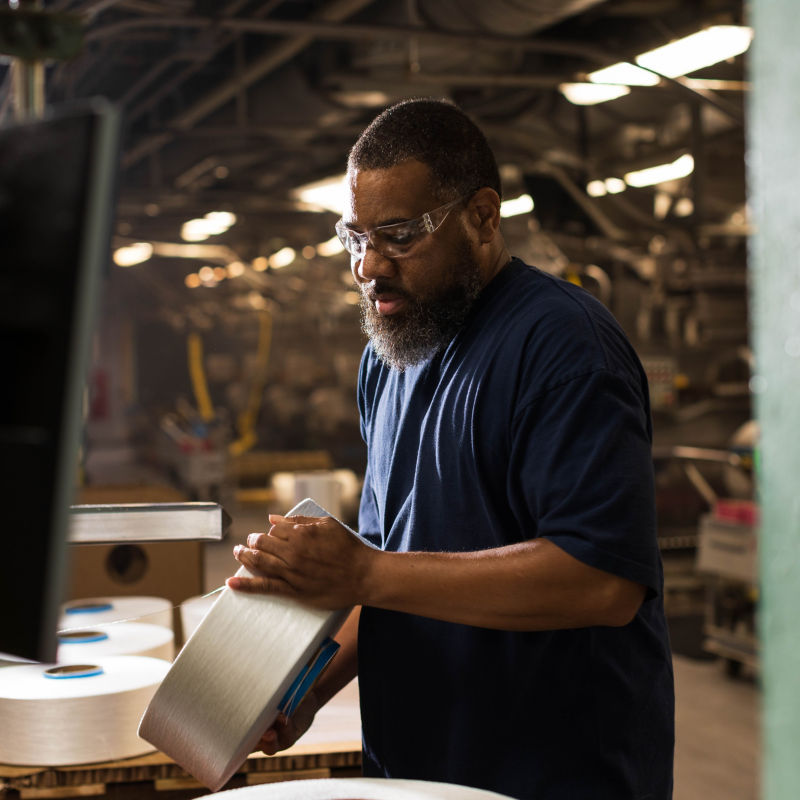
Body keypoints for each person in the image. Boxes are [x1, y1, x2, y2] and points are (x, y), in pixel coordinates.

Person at [228, 98, 674, 800]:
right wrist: (306, 688)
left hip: (550, 774)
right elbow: (385, 568)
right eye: (356, 237)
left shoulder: (562, 346)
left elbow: (603, 581)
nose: (369, 265)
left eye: (400, 235)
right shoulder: (387, 361)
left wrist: (366, 572)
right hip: (414, 771)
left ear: (483, 217)